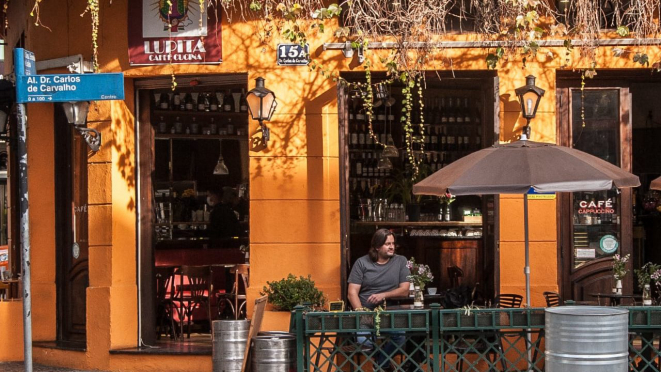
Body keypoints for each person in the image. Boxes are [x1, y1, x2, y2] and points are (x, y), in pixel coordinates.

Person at [348, 228, 411, 371]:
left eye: (393, 243)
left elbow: (404, 290)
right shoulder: (362, 263)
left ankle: (381, 363)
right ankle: (384, 362)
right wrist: (362, 313)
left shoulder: (400, 261)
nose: (392, 247)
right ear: (377, 246)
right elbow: (352, 292)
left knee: (400, 338)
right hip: (366, 312)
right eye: (387, 244)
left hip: (391, 312)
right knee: (363, 342)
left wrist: (383, 295)